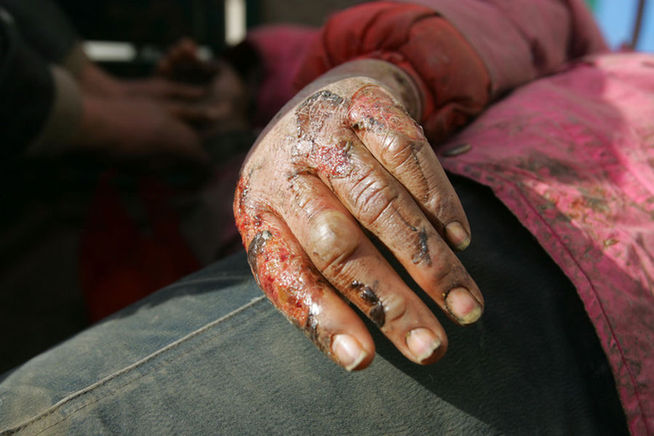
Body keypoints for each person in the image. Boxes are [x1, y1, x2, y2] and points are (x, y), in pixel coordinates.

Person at [1, 1, 652, 434]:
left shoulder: (597, 67)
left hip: (528, 233)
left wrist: (369, 78)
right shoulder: (152, 202)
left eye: (222, 78)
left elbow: (514, 14)